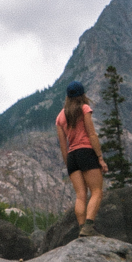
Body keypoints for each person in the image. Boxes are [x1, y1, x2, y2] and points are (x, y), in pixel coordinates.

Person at [56, 80, 108, 237]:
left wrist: (69, 165)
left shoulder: (60, 117)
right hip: (86, 152)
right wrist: (100, 158)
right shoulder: (84, 109)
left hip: (72, 157)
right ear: (82, 94)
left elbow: (63, 146)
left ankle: (81, 229)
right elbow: (91, 134)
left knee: (80, 196)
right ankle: (88, 227)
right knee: (97, 191)